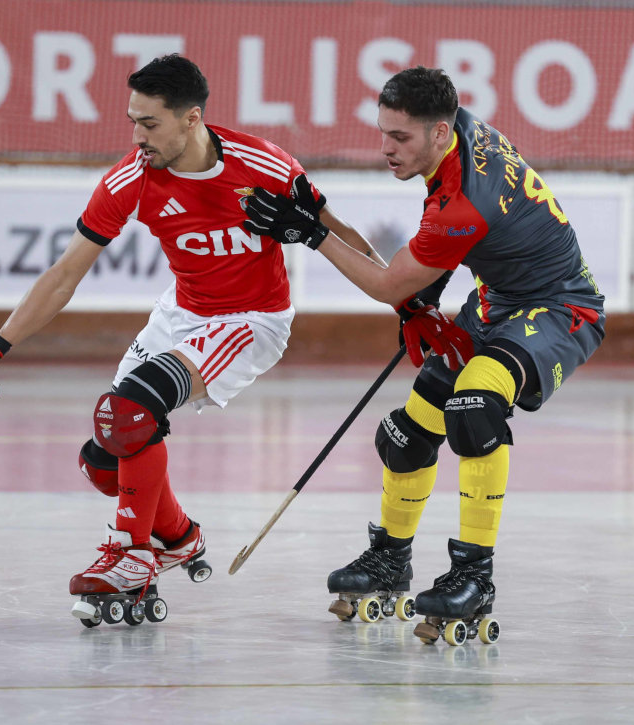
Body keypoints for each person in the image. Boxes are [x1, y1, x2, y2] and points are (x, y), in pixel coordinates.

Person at [0, 54, 388, 623]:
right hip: (180, 313)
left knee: (130, 411)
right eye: (132, 121)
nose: (137, 137)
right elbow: (62, 276)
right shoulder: (131, 178)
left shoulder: (266, 166)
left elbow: (343, 236)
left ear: (191, 119)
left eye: (149, 124)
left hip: (252, 320)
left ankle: (131, 555)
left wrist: (405, 299)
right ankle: (178, 538)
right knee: (105, 457)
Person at [242, 66, 605, 642]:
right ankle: (390, 560)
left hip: (559, 309)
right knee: (406, 436)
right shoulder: (459, 128)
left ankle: (474, 577)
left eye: (401, 138)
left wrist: (311, 233)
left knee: (474, 409)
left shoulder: (464, 201)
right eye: (383, 132)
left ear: (439, 133)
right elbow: (454, 247)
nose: (386, 149)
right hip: (496, 301)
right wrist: (425, 295)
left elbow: (389, 284)